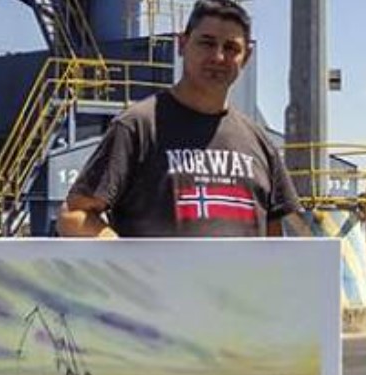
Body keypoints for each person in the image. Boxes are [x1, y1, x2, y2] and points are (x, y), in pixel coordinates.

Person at [57, 0, 301, 238]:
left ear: (246, 57)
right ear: (182, 45)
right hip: (154, 280)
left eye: (231, 48)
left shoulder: (260, 143)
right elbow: (74, 215)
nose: (218, 57)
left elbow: (274, 241)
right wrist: (126, 260)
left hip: (239, 281)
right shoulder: (138, 127)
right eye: (206, 43)